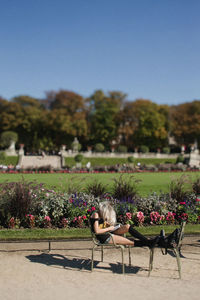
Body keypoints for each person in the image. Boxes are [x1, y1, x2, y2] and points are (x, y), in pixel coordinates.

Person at [90, 201, 180, 249]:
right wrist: (109, 228)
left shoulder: (99, 215)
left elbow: (101, 226)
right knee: (131, 241)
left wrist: (108, 226)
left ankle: (156, 241)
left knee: (128, 226)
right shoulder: (96, 215)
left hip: (109, 232)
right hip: (104, 237)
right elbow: (97, 231)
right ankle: (160, 241)